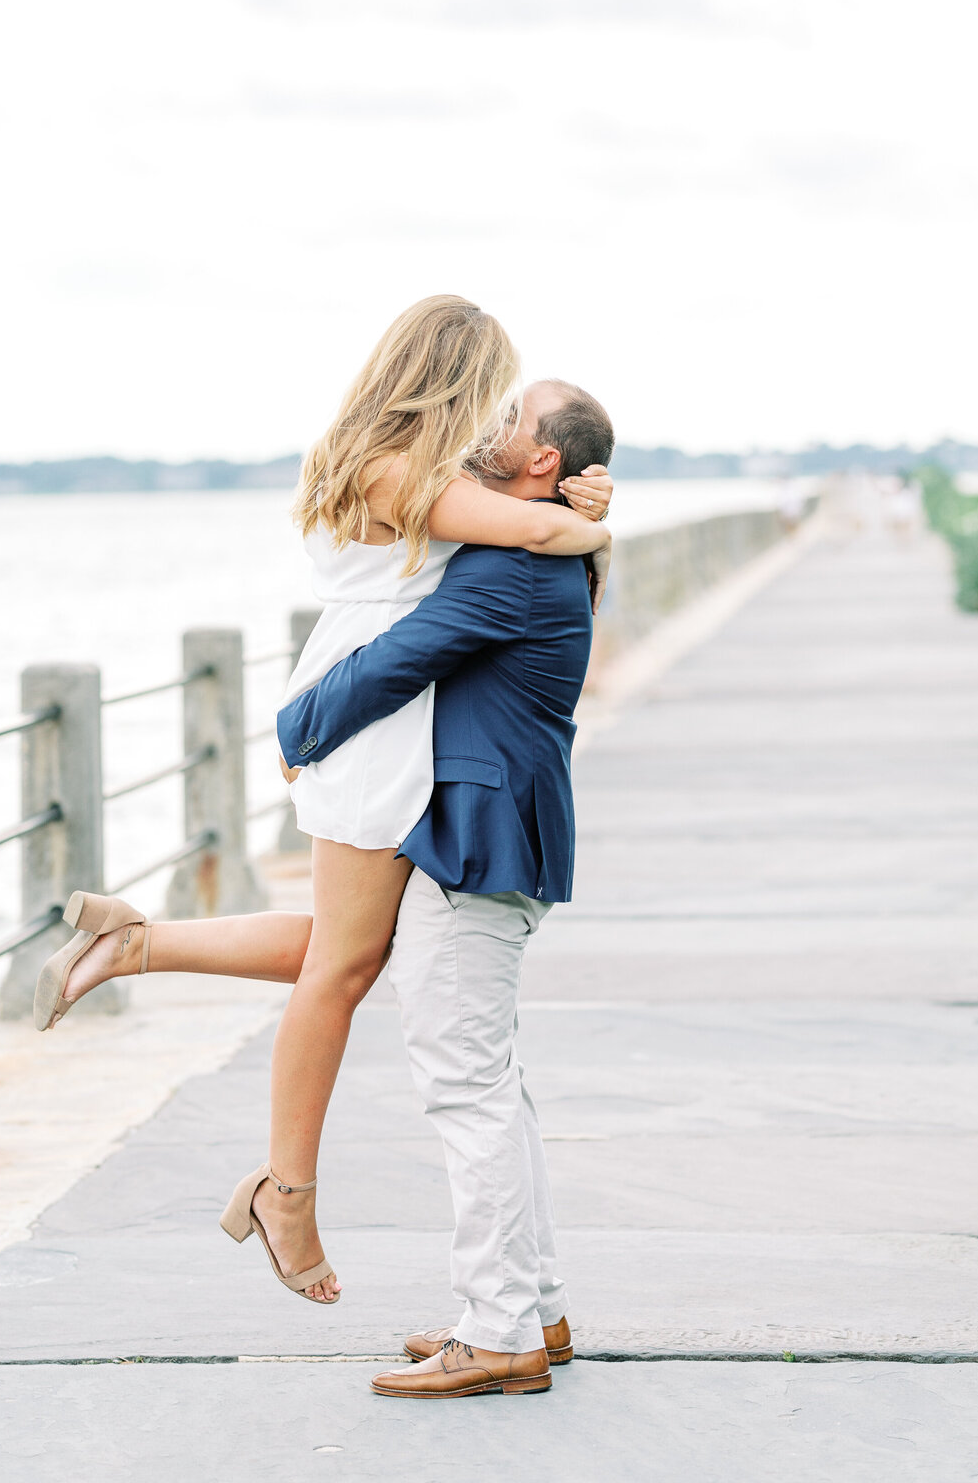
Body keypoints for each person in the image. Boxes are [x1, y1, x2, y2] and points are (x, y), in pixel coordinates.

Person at [32, 296, 612, 1311]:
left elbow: (514, 512)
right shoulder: (413, 477)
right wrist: (582, 512)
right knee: (345, 968)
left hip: (379, 716)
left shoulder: (390, 457)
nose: (495, 416)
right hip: (374, 722)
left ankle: (139, 944)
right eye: (495, 393)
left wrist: (576, 488)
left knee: (355, 948)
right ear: (455, 380)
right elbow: (530, 528)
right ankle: (285, 1188)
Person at [275, 379, 615, 1398]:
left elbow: (395, 660)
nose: (485, 426)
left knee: (466, 1087)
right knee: (491, 1086)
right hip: (491, 837)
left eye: (507, 418)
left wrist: (296, 734)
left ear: (542, 463)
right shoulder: (537, 543)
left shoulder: (511, 565)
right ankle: (532, 1306)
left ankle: (501, 1330)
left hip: (477, 845)